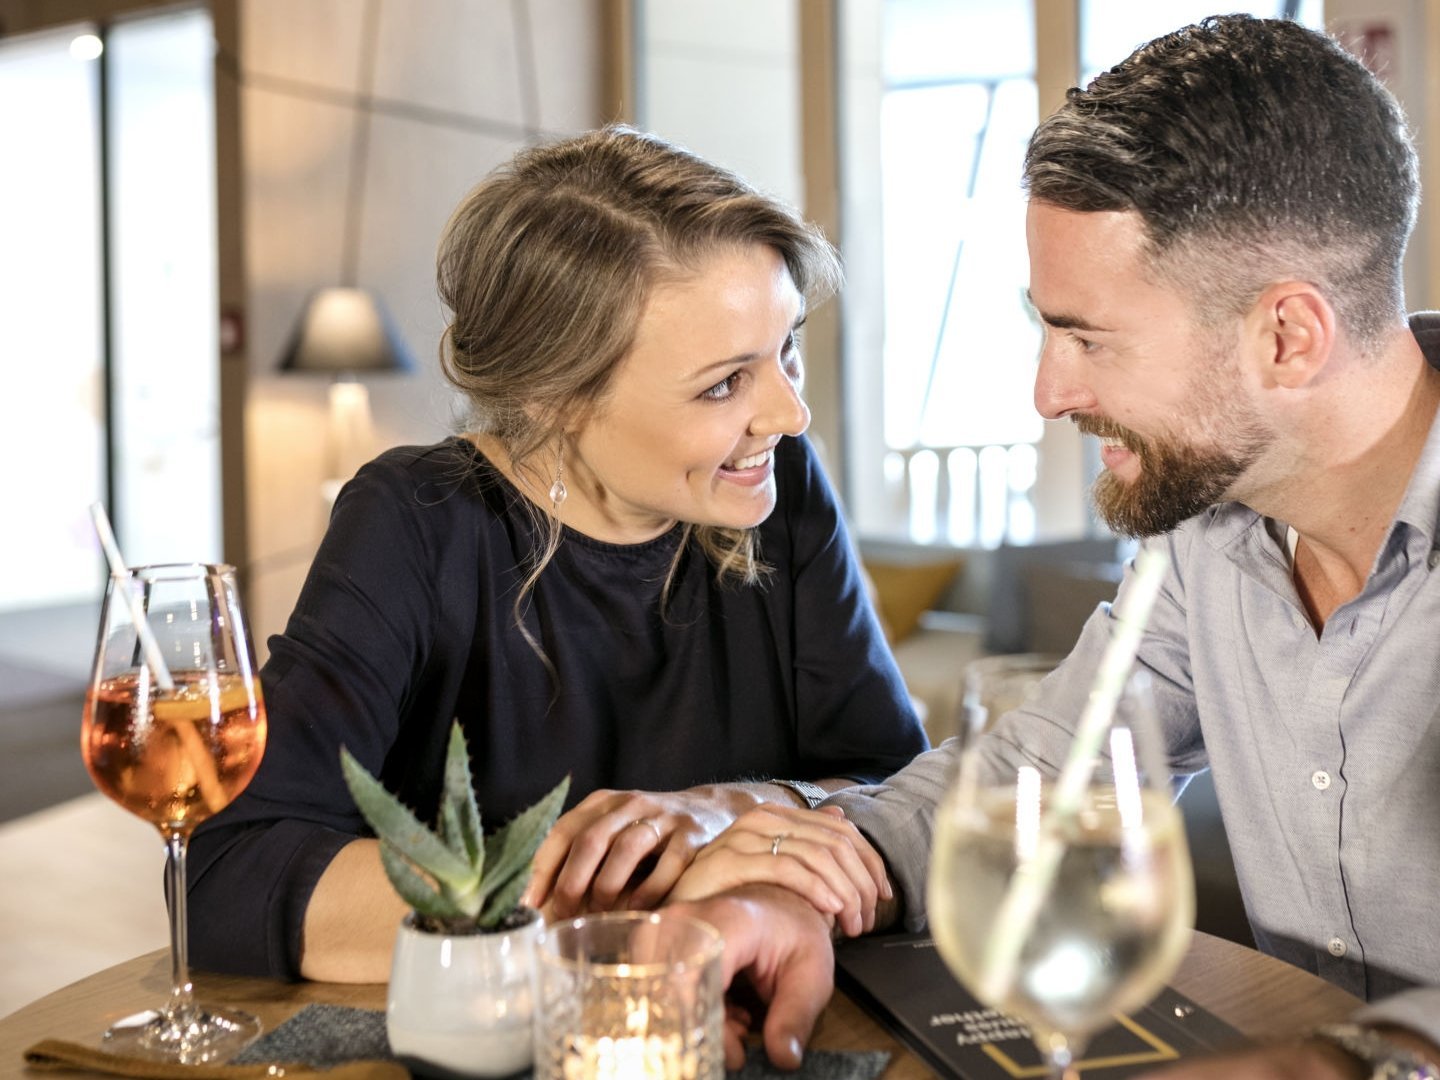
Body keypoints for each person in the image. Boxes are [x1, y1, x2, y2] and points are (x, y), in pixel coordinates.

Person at [671, 15, 1440, 1078]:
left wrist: (1358, 1059)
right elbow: (1038, 773)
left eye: (1088, 337)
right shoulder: (1209, 539)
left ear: (1288, 337)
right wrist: (802, 882)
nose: (1050, 394)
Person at [187, 125, 927, 982]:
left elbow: (897, 790)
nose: (789, 414)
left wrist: (735, 811)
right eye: (725, 382)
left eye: (787, 348)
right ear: (559, 397)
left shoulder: (782, 487)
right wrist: (630, 900)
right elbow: (230, 875)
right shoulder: (415, 521)